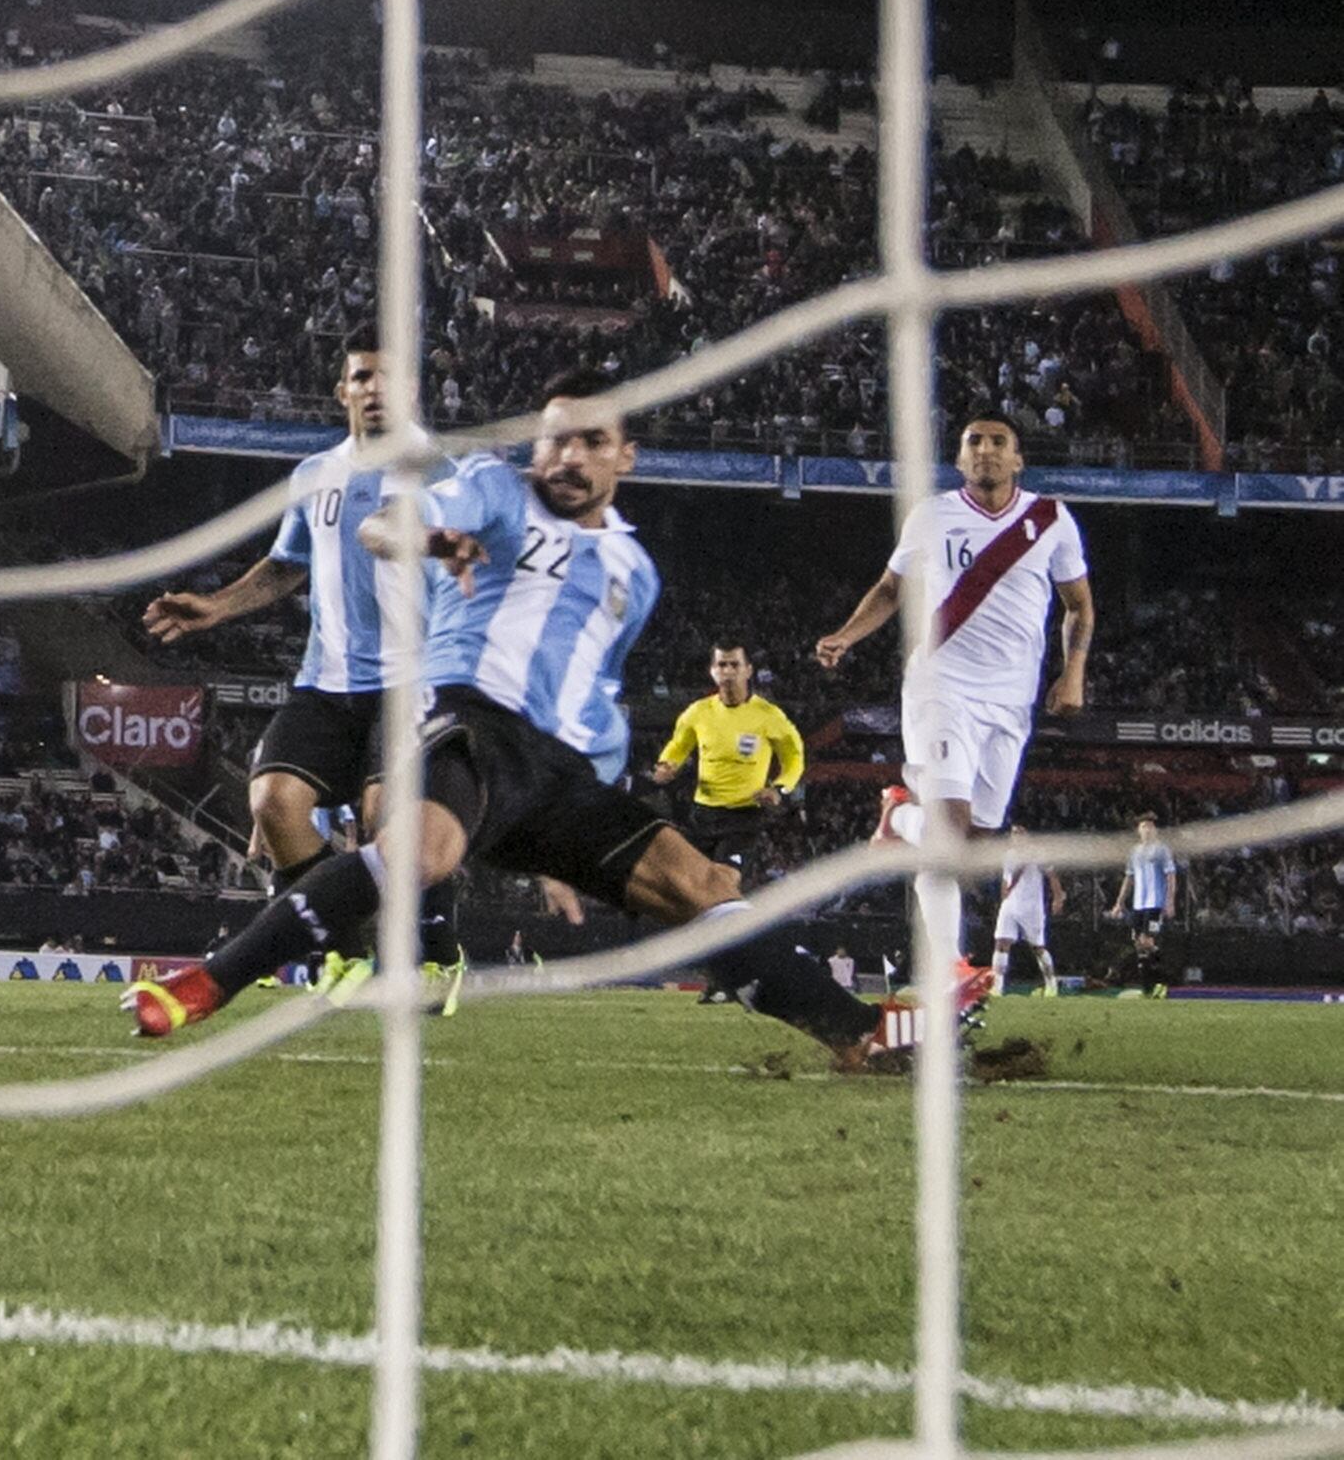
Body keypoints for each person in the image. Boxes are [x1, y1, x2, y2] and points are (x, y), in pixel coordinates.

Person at [127, 371, 908, 1073]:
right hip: (462, 719)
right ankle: (210, 982)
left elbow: (592, 701)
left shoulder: (636, 574)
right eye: (556, 440)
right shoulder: (492, 492)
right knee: (420, 852)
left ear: (624, 458)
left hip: (555, 777)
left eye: (591, 442)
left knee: (703, 888)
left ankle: (858, 1034)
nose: (569, 457)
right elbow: (383, 526)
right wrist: (431, 539)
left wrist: (554, 850)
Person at [140, 328, 466, 1008]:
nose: (375, 390)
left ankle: (437, 956)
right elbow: (286, 568)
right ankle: (342, 951)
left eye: (389, 378)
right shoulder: (314, 475)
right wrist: (216, 607)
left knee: (390, 818)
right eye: (362, 377)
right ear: (342, 390)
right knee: (274, 803)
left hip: (413, 683)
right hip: (327, 680)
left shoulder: (443, 473)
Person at [814, 413, 1092, 1008]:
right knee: (948, 834)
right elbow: (891, 590)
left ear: (1018, 460)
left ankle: (898, 819)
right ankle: (948, 967)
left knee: (975, 846)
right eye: (974, 443)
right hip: (942, 686)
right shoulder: (932, 515)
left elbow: (1079, 606)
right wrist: (846, 635)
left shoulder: (1051, 521)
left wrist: (1073, 673)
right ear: (960, 458)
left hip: (1011, 701)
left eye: (999, 443)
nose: (986, 451)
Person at [648, 643, 803, 887]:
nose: (728, 671)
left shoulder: (769, 715)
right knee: (688, 886)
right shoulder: (698, 712)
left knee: (724, 880)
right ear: (712, 670)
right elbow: (678, 745)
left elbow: (794, 758)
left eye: (735, 664)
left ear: (748, 670)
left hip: (744, 816)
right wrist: (666, 765)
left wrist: (779, 789)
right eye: (722, 664)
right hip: (703, 814)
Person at [1109, 815, 1178, 989]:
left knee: (1147, 941)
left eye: (1150, 826)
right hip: (1138, 904)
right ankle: (1148, 983)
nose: (1147, 830)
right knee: (1139, 944)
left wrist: (1170, 901)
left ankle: (1166, 975)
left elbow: (1171, 876)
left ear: (1155, 830)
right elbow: (1129, 877)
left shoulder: (1162, 850)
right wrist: (1119, 902)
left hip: (1155, 903)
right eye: (1143, 826)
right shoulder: (1134, 852)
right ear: (1138, 830)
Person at [991, 858, 1060, 996]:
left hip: (1031, 908)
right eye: (1014, 834)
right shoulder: (1009, 855)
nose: (1017, 836)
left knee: (1038, 948)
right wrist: (1004, 899)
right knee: (1001, 943)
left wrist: (1057, 897)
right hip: (1010, 905)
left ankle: (1051, 984)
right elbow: (1006, 879)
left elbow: (1052, 875)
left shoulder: (1037, 854)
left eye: (1020, 834)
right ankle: (997, 988)